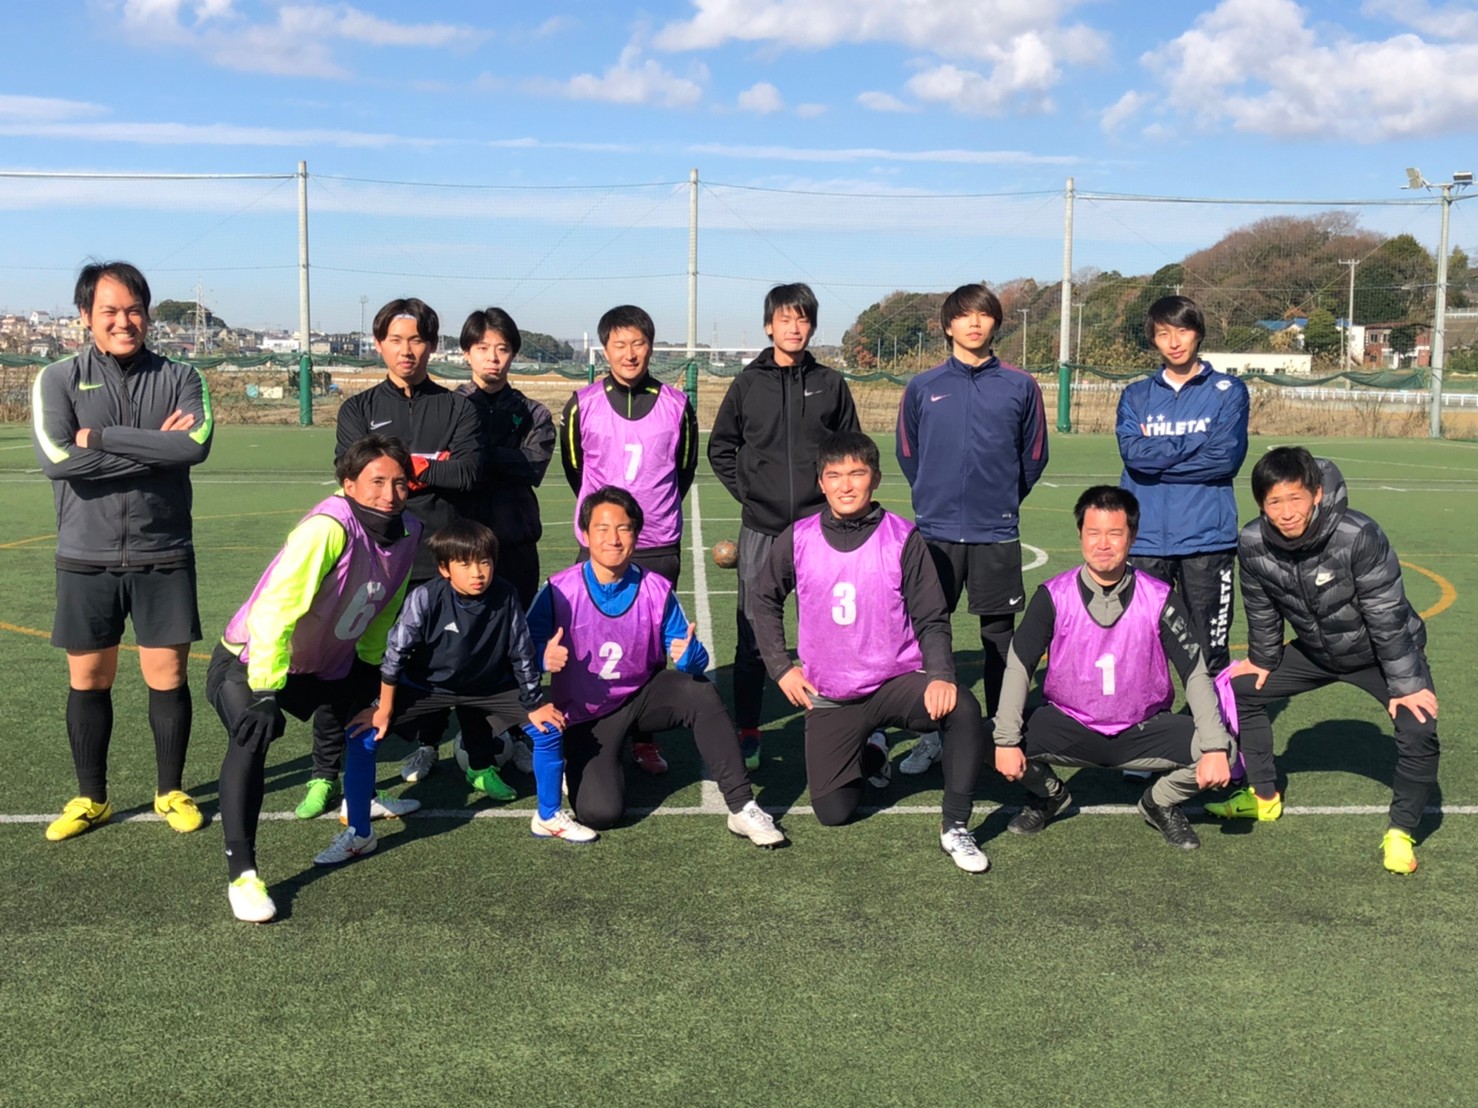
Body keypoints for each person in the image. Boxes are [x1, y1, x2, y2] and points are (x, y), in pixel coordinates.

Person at [31, 261, 214, 841]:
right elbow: (57, 460)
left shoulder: (182, 375)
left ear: (148, 314)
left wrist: (101, 439)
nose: (123, 321)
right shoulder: (57, 378)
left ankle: (170, 791)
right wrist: (155, 449)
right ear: (86, 316)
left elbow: (193, 446)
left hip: (164, 552)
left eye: (134, 310)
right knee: (88, 678)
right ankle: (92, 798)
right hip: (85, 554)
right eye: (109, 310)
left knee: (168, 674)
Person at [750, 431, 989, 873]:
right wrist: (781, 667)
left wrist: (941, 674)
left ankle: (956, 825)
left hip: (895, 682)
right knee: (833, 811)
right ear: (820, 482)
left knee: (963, 708)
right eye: (834, 475)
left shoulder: (902, 537)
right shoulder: (798, 537)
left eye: (856, 474)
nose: (846, 485)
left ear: (875, 478)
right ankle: (874, 751)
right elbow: (763, 599)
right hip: (833, 693)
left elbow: (932, 616)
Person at [206, 435, 422, 923]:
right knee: (251, 735)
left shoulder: (409, 531)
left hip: (325, 663)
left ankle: (360, 800)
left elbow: (384, 608)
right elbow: (275, 611)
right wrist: (265, 689)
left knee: (366, 717)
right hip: (252, 659)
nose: (389, 494)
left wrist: (370, 674)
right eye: (376, 482)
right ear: (349, 484)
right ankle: (243, 875)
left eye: (399, 483)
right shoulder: (327, 528)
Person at [1206, 447, 1439, 874]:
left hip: (1378, 653)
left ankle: (1401, 831)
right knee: (1244, 689)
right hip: (1316, 652)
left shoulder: (1358, 534)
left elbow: (1387, 615)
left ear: (1315, 494)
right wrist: (1262, 659)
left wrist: (1406, 686)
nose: (1286, 513)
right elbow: (1261, 607)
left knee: (1418, 725)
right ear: (1260, 504)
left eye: (1295, 499)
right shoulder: (1253, 541)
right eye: (1274, 502)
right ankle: (1263, 796)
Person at [525, 486, 785, 848]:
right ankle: (585, 762)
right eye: (602, 529)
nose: (613, 539)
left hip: (642, 697)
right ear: (585, 534)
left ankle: (742, 806)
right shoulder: (558, 590)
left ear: (636, 534)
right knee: (600, 813)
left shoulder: (656, 589)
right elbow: (520, 656)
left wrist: (689, 655)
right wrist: (542, 657)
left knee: (700, 692)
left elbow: (695, 661)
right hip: (588, 715)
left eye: (624, 528)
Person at [993, 486, 1235, 851]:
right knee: (985, 738)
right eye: (1093, 532)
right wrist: (1007, 740)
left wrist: (1214, 747)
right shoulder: (1053, 596)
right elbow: (1018, 667)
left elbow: (1195, 673)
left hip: (1143, 728)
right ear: (1080, 535)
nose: (1103, 544)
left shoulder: (1159, 598)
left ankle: (1159, 801)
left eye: (1114, 533)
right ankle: (1050, 794)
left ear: (1132, 536)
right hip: (1069, 725)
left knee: (1223, 748)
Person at [317, 297, 482, 806]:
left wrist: (400, 467)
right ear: (378, 344)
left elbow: (466, 473)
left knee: (441, 659)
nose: (406, 350)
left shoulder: (458, 407)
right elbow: (353, 474)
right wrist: (431, 464)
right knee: (349, 665)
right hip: (373, 557)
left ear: (431, 345)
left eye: (416, 339)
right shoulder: (358, 409)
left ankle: (430, 745)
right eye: (395, 339)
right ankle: (326, 771)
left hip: (436, 558)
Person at [357, 519, 593, 842]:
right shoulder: (425, 598)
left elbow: (521, 652)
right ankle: (359, 826)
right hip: (429, 686)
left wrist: (535, 703)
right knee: (363, 734)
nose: (477, 573)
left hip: (489, 686)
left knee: (548, 729)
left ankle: (549, 816)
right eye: (465, 564)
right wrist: (384, 707)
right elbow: (394, 655)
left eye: (484, 562)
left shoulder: (506, 595)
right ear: (444, 568)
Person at [895, 283, 1048, 777]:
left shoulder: (1020, 385)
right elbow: (908, 453)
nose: (975, 323)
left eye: (983, 315)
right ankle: (930, 737)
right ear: (948, 325)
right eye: (964, 316)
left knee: (999, 640)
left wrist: (1000, 501)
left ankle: (999, 738)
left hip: (995, 532)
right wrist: (934, 498)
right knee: (927, 636)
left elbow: (1034, 456)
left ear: (996, 322)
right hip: (935, 532)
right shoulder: (923, 386)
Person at [707, 282, 859, 770]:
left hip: (821, 530)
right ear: (769, 326)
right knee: (753, 634)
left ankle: (839, 721)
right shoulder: (747, 384)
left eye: (803, 319)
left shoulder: (830, 383)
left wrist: (832, 500)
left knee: (831, 632)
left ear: (811, 326)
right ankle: (749, 728)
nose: (794, 328)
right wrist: (753, 494)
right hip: (762, 528)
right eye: (785, 319)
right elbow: (720, 448)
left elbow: (851, 450)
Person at [559, 304, 698, 775]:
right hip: (598, 544)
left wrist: (652, 514)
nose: (630, 353)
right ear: (605, 349)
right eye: (620, 344)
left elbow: (683, 470)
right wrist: (603, 525)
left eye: (638, 343)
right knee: (586, 640)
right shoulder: (582, 404)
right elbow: (576, 470)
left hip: (657, 541)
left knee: (651, 645)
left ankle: (644, 737)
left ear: (651, 347)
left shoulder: (677, 405)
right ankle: (586, 729)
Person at [1116, 295, 1248, 677]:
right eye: (1163, 334)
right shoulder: (1136, 395)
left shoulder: (1228, 390)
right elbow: (1134, 456)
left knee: (1209, 652)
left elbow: (1224, 459)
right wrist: (1195, 442)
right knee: (1142, 649)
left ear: (1198, 333)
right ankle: (1152, 717)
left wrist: (1157, 461)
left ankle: (1209, 718)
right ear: (1153, 340)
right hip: (1145, 542)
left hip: (1206, 541)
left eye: (1183, 331)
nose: (1174, 342)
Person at [455, 307, 556, 609]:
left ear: (513, 354)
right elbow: (449, 466)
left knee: (518, 627)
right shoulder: (448, 408)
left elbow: (532, 466)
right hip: (460, 545)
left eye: (502, 349)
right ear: (466, 353)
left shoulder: (534, 413)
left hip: (516, 545)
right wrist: (507, 459)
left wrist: (475, 458)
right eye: (482, 348)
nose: (493, 358)